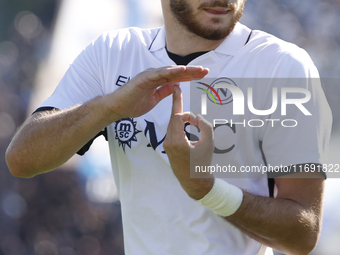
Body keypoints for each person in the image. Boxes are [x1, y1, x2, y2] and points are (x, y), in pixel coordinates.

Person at [6, 0, 332, 254]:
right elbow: (22, 159)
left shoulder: (281, 66)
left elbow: (303, 233)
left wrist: (208, 190)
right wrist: (108, 108)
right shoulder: (112, 55)